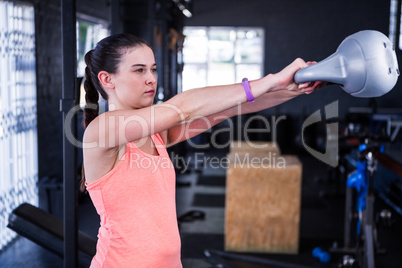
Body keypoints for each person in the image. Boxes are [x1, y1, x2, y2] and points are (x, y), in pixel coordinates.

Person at [82, 33, 324, 268]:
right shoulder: (102, 129)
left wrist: (293, 88)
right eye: (139, 70)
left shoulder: (155, 132)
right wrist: (273, 79)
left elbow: (234, 107)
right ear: (107, 79)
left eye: (153, 69)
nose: (151, 79)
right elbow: (182, 108)